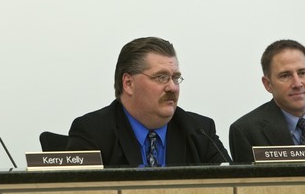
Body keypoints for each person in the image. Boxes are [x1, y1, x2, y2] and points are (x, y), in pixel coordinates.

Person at [67, 36, 230, 167]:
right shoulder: (93, 132)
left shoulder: (199, 130)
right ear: (128, 83)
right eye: (161, 77)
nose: (172, 87)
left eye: (175, 78)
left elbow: (231, 187)